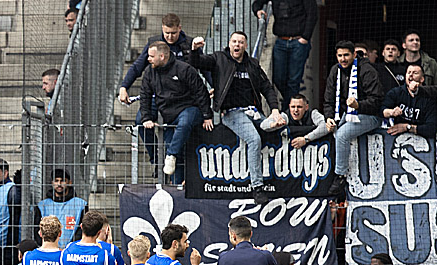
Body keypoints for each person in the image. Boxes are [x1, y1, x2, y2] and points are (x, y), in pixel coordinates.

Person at [190, 31, 280, 204]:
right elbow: (197, 63)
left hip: (253, 112)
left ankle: (271, 124)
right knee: (254, 139)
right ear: (229, 43)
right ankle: (257, 188)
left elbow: (267, 88)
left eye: (240, 42)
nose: (237, 45)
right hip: (232, 112)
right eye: (234, 42)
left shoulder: (252, 64)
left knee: (282, 123)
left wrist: (275, 110)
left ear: (246, 45)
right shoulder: (219, 58)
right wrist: (194, 50)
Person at [322, 40, 387, 197]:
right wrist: (329, 117)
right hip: (345, 115)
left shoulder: (366, 70)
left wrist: (358, 105)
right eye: (340, 56)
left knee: (343, 134)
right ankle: (333, 170)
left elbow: (377, 101)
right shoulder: (335, 71)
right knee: (331, 130)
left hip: (370, 115)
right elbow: (329, 99)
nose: (343, 59)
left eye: (346, 55)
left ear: (354, 55)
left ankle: (340, 176)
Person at [138, 40, 210, 179]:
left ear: (162, 56)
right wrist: (146, 117)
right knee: (176, 151)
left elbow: (200, 91)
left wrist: (207, 115)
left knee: (185, 122)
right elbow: (145, 95)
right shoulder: (149, 72)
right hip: (168, 114)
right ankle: (177, 186)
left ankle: (170, 155)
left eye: (151, 56)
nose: (148, 59)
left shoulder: (184, 69)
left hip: (189, 109)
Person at [250, 0, 317, 106]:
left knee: (294, 79)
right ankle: (289, 105)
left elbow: (313, 15)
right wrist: (258, 12)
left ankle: (289, 110)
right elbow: (257, 3)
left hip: (299, 42)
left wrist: (305, 37)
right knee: (278, 78)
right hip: (280, 41)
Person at [380, 62, 437, 140]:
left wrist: (407, 127)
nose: (411, 75)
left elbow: (431, 128)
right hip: (397, 139)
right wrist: (391, 112)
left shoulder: (429, 97)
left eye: (415, 73)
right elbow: (382, 110)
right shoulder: (396, 92)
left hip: (422, 141)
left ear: (422, 79)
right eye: (408, 72)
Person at [32, 169, 87, 247]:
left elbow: (82, 230)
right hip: (49, 251)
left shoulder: (80, 205)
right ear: (52, 183)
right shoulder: (43, 206)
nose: (59, 184)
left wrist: (71, 248)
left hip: (73, 251)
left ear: (69, 182)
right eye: (56, 180)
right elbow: (37, 230)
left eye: (63, 181)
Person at [261, 92, 330, 149]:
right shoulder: (285, 116)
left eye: (299, 107)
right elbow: (263, 125)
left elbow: (326, 127)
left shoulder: (313, 114)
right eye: (293, 107)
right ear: (289, 107)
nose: (296, 110)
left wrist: (306, 139)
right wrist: (273, 125)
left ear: (306, 107)